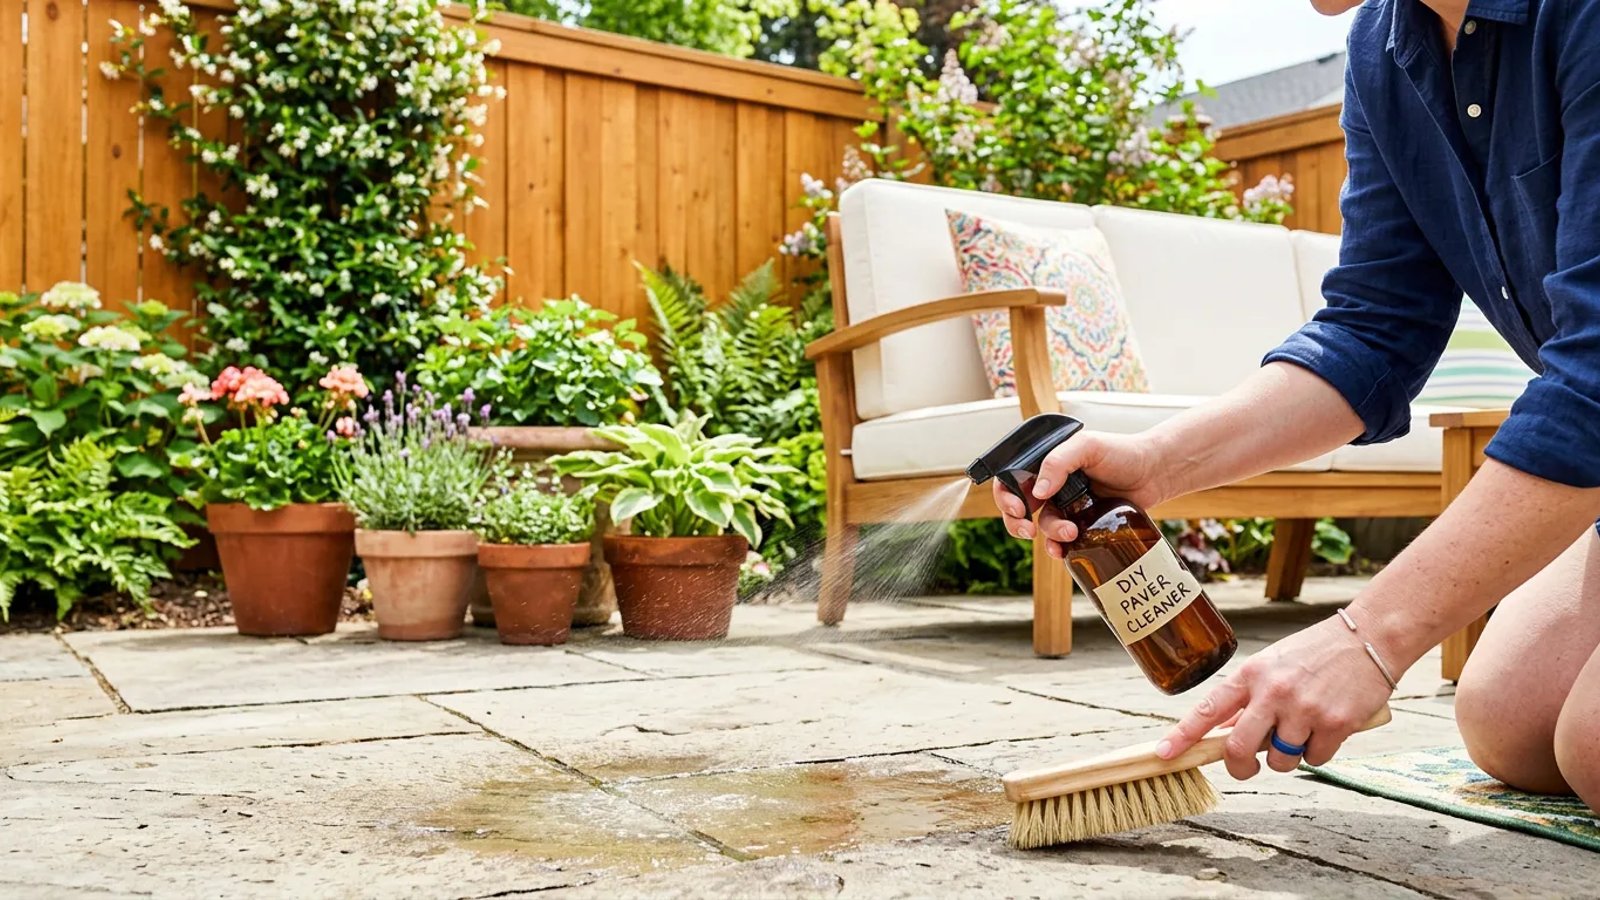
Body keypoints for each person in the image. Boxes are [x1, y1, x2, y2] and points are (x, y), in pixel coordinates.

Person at [994, 0, 1600, 811]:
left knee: (1593, 746)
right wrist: (1157, 460)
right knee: (1508, 725)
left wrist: (1370, 636)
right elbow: (1374, 329)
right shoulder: (1384, 50)